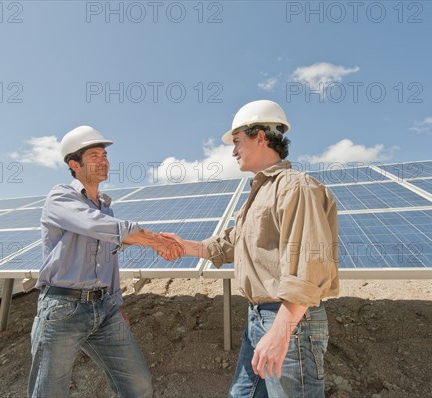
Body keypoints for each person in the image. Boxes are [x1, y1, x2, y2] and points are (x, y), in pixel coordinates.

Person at [164, 100, 339, 397]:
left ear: (260, 136)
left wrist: (281, 332)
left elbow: (309, 265)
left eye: (237, 141)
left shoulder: (296, 187)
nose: (232, 151)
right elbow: (233, 243)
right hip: (258, 318)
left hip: (289, 321)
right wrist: (184, 246)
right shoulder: (260, 193)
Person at [28, 125, 184, 398]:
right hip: (63, 309)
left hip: (105, 309)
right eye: (94, 155)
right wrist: (158, 241)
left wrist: (117, 302)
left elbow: (109, 260)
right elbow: (101, 226)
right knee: (49, 392)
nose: (104, 160)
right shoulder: (60, 197)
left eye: (104, 155)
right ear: (74, 164)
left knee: (138, 385)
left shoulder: (106, 207)